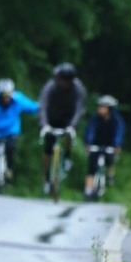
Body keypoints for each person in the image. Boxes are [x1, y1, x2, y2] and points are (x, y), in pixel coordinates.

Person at [38, 63, 87, 194]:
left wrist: (72, 126)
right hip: (51, 118)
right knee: (48, 147)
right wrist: (45, 125)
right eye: (59, 79)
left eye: (64, 80)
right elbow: (42, 106)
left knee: (69, 134)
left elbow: (79, 109)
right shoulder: (50, 87)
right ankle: (47, 176)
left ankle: (67, 157)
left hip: (68, 119)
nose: (61, 83)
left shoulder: (78, 89)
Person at [0, 78, 39, 180]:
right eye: (4, 95)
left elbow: (31, 107)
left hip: (11, 130)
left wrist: (42, 108)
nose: (7, 98)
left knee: (11, 148)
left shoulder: (18, 99)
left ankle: (9, 169)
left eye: (9, 95)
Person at [83, 94, 125, 200]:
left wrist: (117, 144)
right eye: (100, 106)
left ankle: (110, 173)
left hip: (110, 145)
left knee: (110, 160)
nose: (100, 109)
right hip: (96, 144)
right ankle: (88, 190)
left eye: (103, 107)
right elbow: (90, 131)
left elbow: (118, 133)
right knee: (92, 168)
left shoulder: (116, 120)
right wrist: (88, 143)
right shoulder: (95, 119)